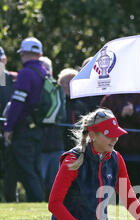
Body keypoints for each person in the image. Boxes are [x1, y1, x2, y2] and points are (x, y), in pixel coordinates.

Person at [4, 37, 47, 202]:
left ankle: (38, 201)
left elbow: (17, 103)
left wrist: (9, 127)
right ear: (40, 54)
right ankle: (14, 200)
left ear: (23, 53)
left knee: (27, 169)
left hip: (24, 129)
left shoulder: (26, 73)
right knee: (31, 167)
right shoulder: (44, 72)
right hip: (39, 128)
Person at [100, 92, 140, 187]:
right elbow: (102, 122)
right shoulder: (109, 98)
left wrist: (134, 114)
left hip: (137, 153)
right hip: (113, 152)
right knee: (111, 186)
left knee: (134, 187)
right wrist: (120, 114)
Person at [40, 56, 66, 200]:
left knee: (55, 186)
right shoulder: (35, 87)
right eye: (42, 67)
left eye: (47, 68)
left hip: (56, 145)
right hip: (38, 145)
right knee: (38, 183)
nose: (45, 71)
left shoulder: (57, 89)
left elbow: (61, 115)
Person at [0, 45, 18, 202]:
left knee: (11, 175)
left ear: (4, 60)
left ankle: (12, 201)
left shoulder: (14, 80)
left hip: (9, 135)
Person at [57, 67, 89, 151]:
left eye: (73, 83)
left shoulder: (81, 105)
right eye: (68, 83)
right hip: (58, 146)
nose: (70, 86)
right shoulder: (57, 104)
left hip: (76, 147)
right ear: (60, 84)